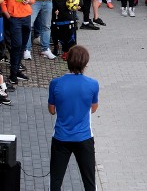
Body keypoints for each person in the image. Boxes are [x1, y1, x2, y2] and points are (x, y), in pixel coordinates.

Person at [48, 45, 99, 191]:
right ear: (85, 63)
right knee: (89, 181)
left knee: (56, 180)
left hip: (61, 137)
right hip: (84, 138)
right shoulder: (93, 84)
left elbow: (52, 110)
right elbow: (93, 109)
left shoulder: (55, 83)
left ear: (68, 61)